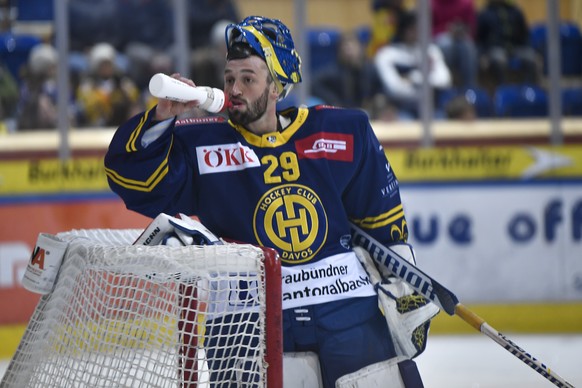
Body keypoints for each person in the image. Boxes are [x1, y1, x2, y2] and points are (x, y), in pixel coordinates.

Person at [104, 16, 437, 387]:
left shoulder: (341, 133)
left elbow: (383, 223)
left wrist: (406, 290)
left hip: (346, 310)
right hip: (245, 323)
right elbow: (132, 181)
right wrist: (160, 118)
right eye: (229, 78)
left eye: (248, 78)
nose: (234, 89)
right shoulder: (199, 143)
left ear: (276, 86)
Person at [374, 11, 452, 119]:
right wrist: (427, 87)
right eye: (413, 29)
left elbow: (444, 80)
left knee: (442, 123)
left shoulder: (431, 51)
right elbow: (395, 89)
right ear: (403, 30)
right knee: (403, 124)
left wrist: (413, 78)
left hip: (431, 107)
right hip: (401, 108)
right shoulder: (387, 54)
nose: (417, 32)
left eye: (420, 28)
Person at [310, 30, 383, 114]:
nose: (348, 49)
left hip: (369, 114)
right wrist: (333, 101)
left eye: (352, 45)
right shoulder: (334, 71)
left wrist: (378, 101)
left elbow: (380, 90)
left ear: (361, 47)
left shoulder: (370, 69)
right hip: (341, 113)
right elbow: (312, 83)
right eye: (344, 46)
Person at [475, 0, 539, 86]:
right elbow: (480, 39)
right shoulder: (485, 13)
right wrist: (482, 55)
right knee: (499, 58)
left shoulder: (516, 12)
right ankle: (503, 89)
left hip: (515, 49)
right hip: (494, 49)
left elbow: (525, 36)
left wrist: (528, 48)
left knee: (530, 57)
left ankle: (530, 90)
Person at [431, 0, 478, 89]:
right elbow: (426, 31)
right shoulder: (431, 3)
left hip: (461, 37)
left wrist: (462, 31)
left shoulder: (466, 3)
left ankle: (470, 88)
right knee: (446, 45)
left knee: (467, 46)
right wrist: (447, 30)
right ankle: (445, 87)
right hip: (439, 38)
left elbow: (472, 29)